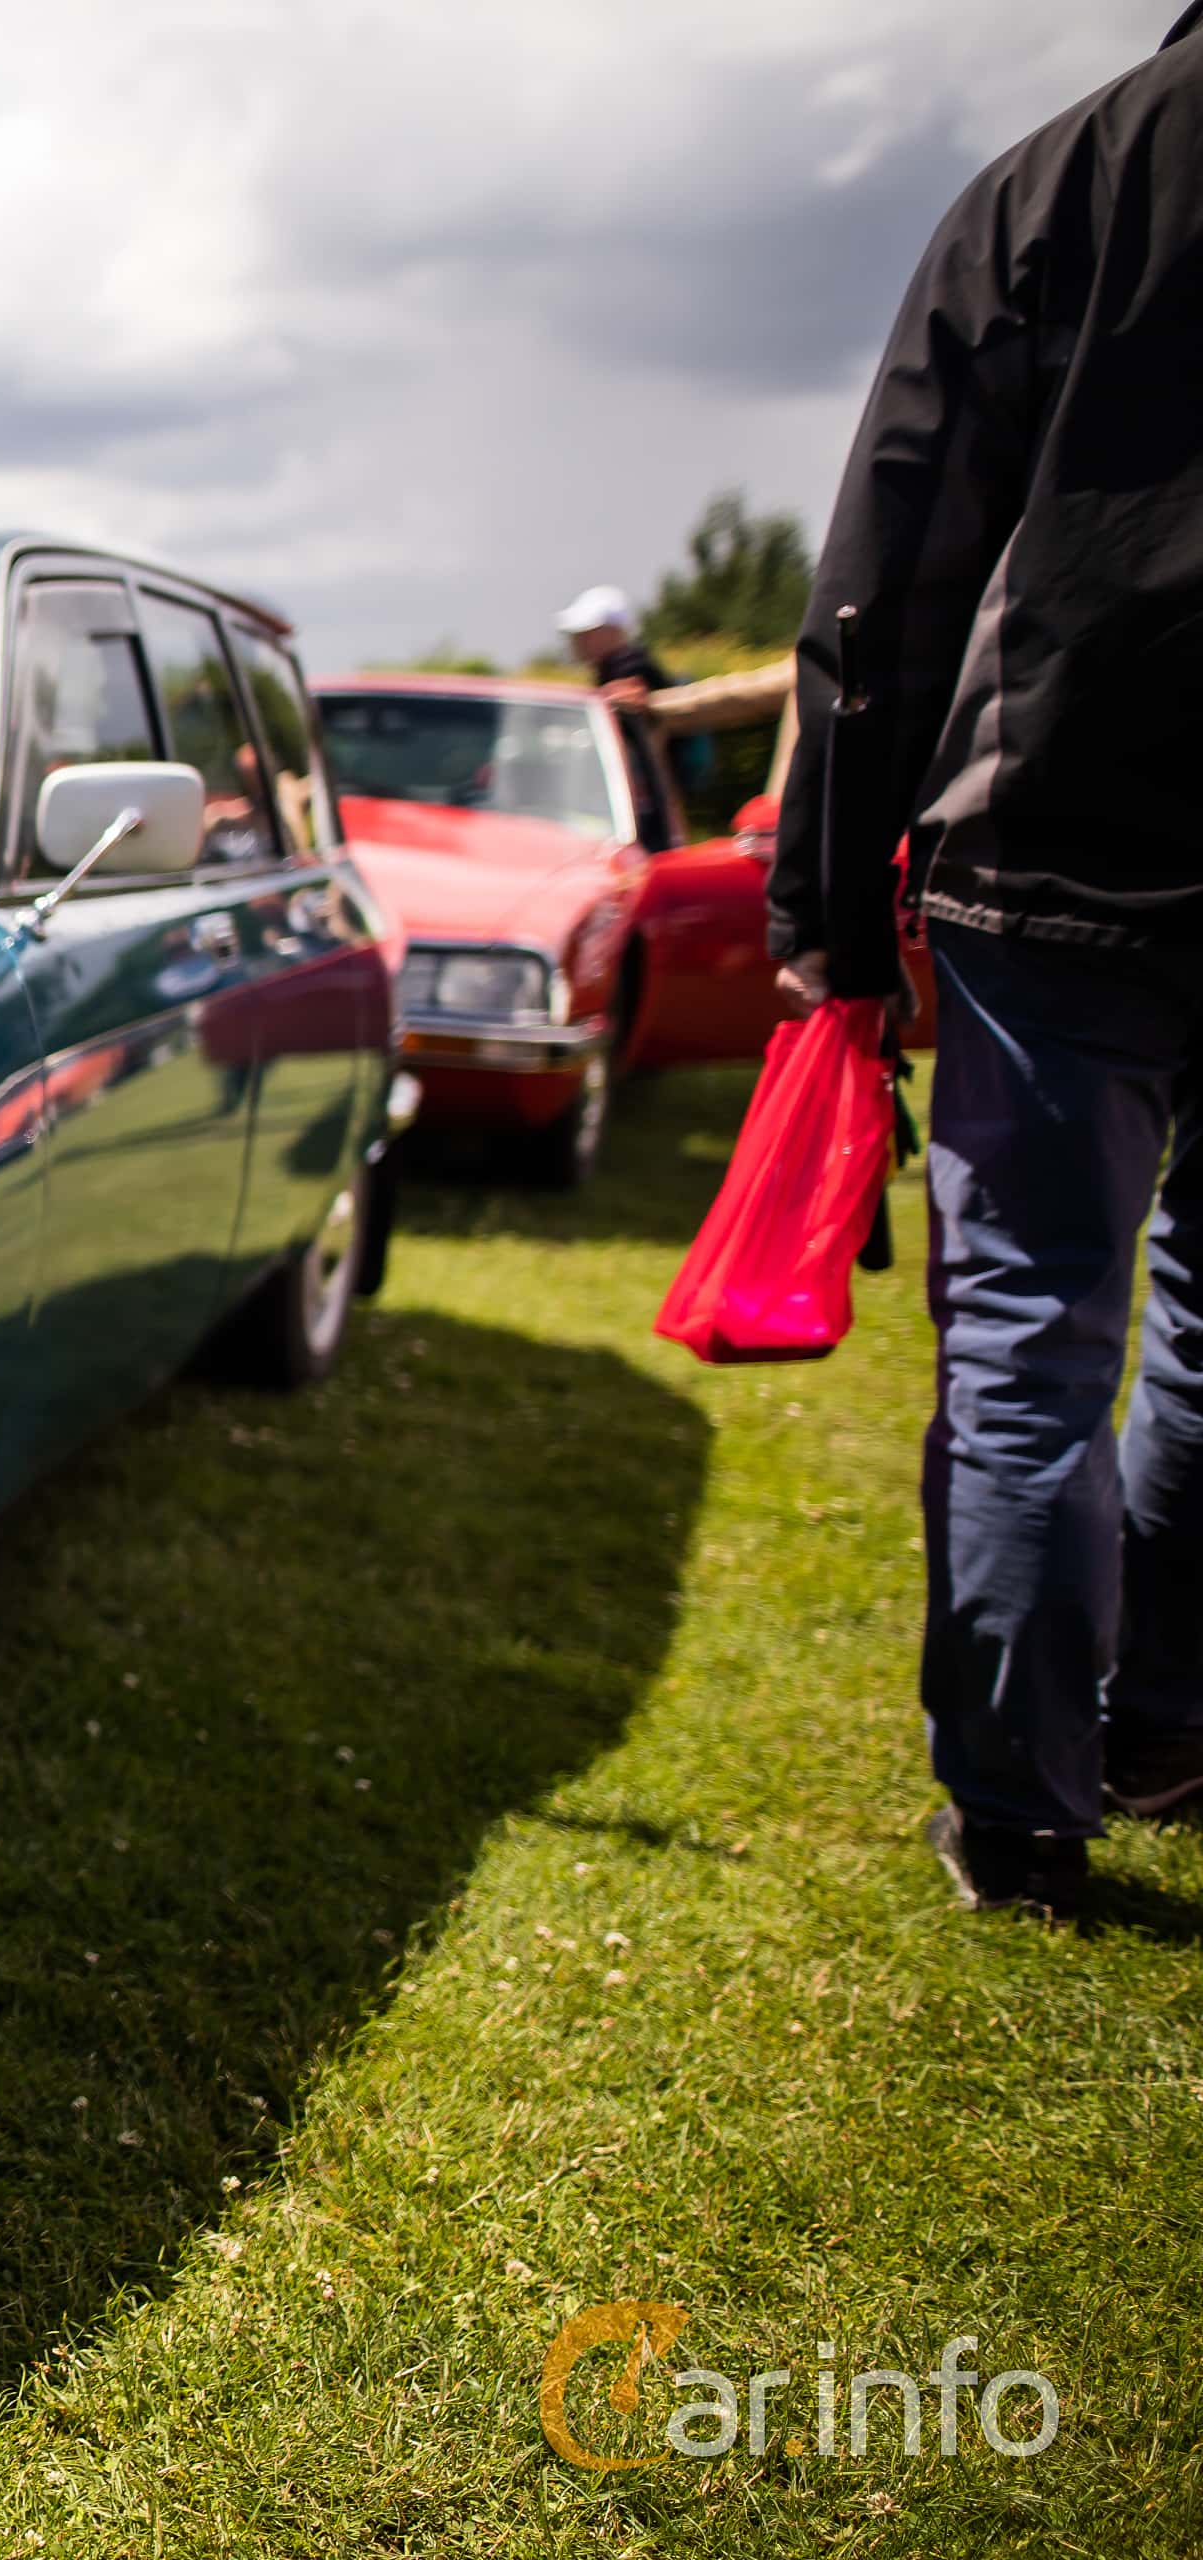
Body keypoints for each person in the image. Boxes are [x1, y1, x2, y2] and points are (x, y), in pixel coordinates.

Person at [767, 7, 1203, 1925]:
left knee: (1031, 1333)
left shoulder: (1059, 180)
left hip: (1051, 854)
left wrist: (829, 920)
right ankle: (1167, 1715)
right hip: (1057, 866)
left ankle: (1025, 1808)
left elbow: (883, 573)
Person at [556, 586, 672, 710]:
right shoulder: (613, 669)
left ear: (612, 632)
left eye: (587, 633)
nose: (577, 640)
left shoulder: (630, 670)